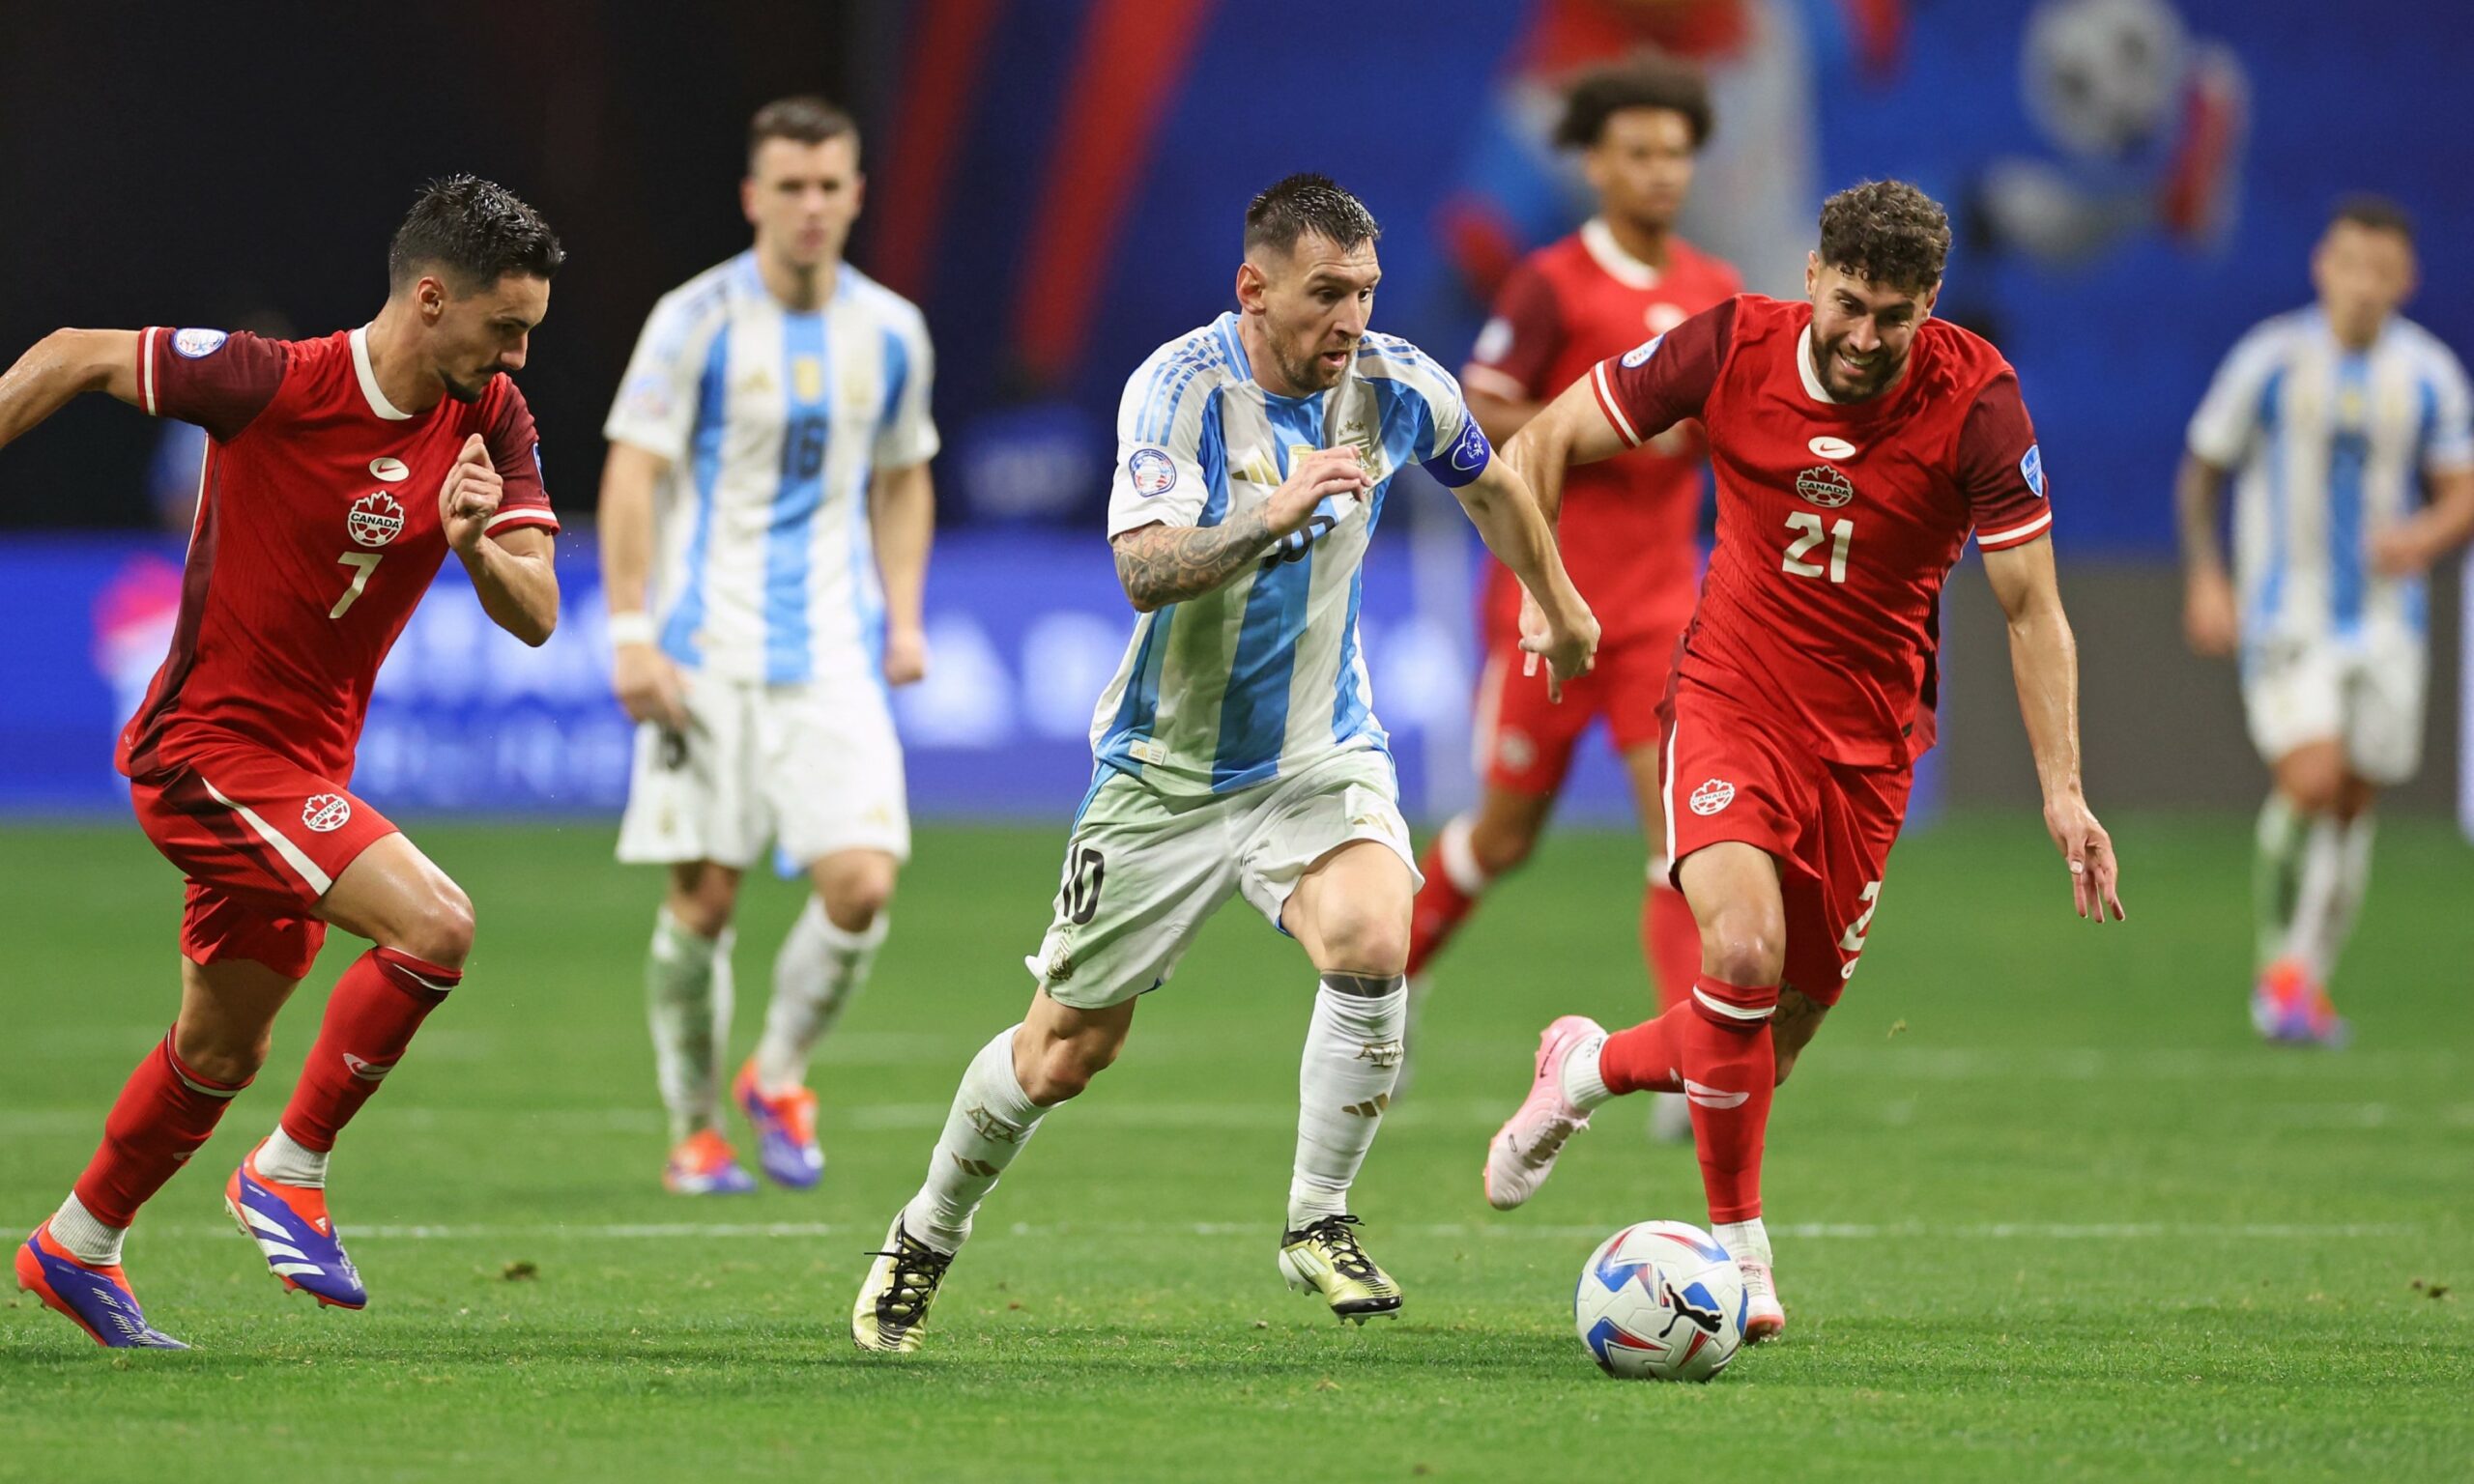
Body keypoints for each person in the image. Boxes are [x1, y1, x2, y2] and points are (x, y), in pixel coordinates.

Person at [848, 174, 1599, 1353]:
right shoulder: (1181, 389)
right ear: (1253, 289)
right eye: (1322, 294)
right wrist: (1274, 513)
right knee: (1065, 1050)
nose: (1347, 318)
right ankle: (925, 1234)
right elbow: (1143, 570)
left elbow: (1491, 482)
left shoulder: (1398, 382)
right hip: (1165, 775)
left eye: (1363, 291)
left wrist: (1555, 601)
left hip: (1319, 752)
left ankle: (1318, 1219)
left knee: (1371, 934)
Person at [1480, 180, 2124, 1345]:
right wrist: (1549, 597)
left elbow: (2031, 609)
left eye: (1893, 315)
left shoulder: (1977, 399)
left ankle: (1581, 1067)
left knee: (1763, 1043)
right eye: (1848, 305)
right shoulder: (1732, 345)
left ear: (1928, 302)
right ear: (1813, 274)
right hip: (1728, 696)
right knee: (1738, 948)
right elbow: (1545, 437)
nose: (1865, 337)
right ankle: (1740, 1253)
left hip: (1870, 746)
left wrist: (2063, 790)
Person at [2, 177, 564, 1347]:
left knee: (221, 1044)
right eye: (504, 327)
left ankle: (75, 1245)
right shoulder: (274, 382)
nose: (517, 355)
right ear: (428, 300)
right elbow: (67, 354)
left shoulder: (489, 418)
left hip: (302, 777)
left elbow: (539, 614)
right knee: (437, 925)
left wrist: (471, 547)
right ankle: (287, 1170)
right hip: (204, 753)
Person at [601, 96, 938, 1194]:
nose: (808, 206)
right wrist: (632, 631)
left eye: (826, 185)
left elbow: (902, 475)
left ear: (854, 195)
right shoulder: (692, 319)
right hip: (705, 656)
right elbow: (633, 472)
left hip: (832, 654)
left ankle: (778, 1073)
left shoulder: (890, 331)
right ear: (754, 196)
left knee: (861, 884)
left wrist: (903, 617)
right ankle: (692, 1130)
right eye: (787, 186)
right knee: (703, 903)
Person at [1409, 54, 1740, 1143]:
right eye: (1636, 152)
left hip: (1662, 608)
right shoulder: (1551, 283)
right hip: (1545, 603)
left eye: (1675, 154)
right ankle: (1381, 990)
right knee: (1499, 837)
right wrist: (1601, 414)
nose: (1658, 172)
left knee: (1676, 836)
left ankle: (1689, 1063)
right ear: (1594, 163)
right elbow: (1477, 410)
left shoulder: (1715, 293)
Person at [2177, 196, 2474, 1046]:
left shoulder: (2427, 375)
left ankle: (2304, 978)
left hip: (2387, 625)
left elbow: (2461, 491)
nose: (2365, 286)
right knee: (2310, 779)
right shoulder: (2271, 360)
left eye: (2383, 272)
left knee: (2351, 801)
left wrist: (2423, 535)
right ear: (2323, 266)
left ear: (2405, 281)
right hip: (2287, 613)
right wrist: (2207, 576)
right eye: (2352, 266)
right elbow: (2203, 469)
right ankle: (2281, 967)